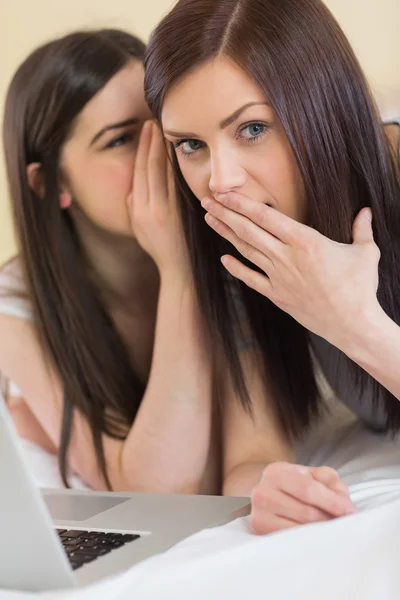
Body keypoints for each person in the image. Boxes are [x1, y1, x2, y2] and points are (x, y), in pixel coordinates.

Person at [144, 0, 400, 534]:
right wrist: (270, 488)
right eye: (191, 145)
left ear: (323, 106)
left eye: (252, 128)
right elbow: (252, 451)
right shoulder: (243, 240)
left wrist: (356, 324)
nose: (219, 180)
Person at [0, 28, 219, 494]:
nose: (160, 152)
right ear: (49, 184)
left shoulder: (222, 227)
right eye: (120, 139)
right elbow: (158, 488)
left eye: (162, 126)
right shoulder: (14, 306)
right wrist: (180, 271)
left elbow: (223, 463)